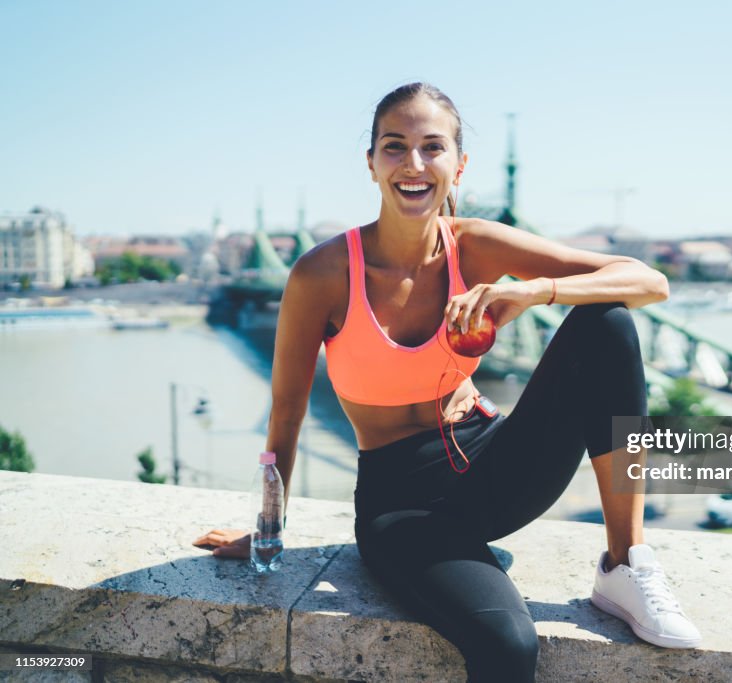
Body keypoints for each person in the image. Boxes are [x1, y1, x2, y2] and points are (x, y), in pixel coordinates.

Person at [194, 82, 701, 682]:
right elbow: (286, 414)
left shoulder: (479, 246)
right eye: (394, 146)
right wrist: (268, 534)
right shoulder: (322, 273)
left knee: (606, 322)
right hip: (404, 505)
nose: (413, 164)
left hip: (498, 463)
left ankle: (624, 565)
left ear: (458, 165)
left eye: (432, 148)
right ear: (371, 163)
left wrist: (536, 290)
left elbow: (649, 282)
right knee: (509, 647)